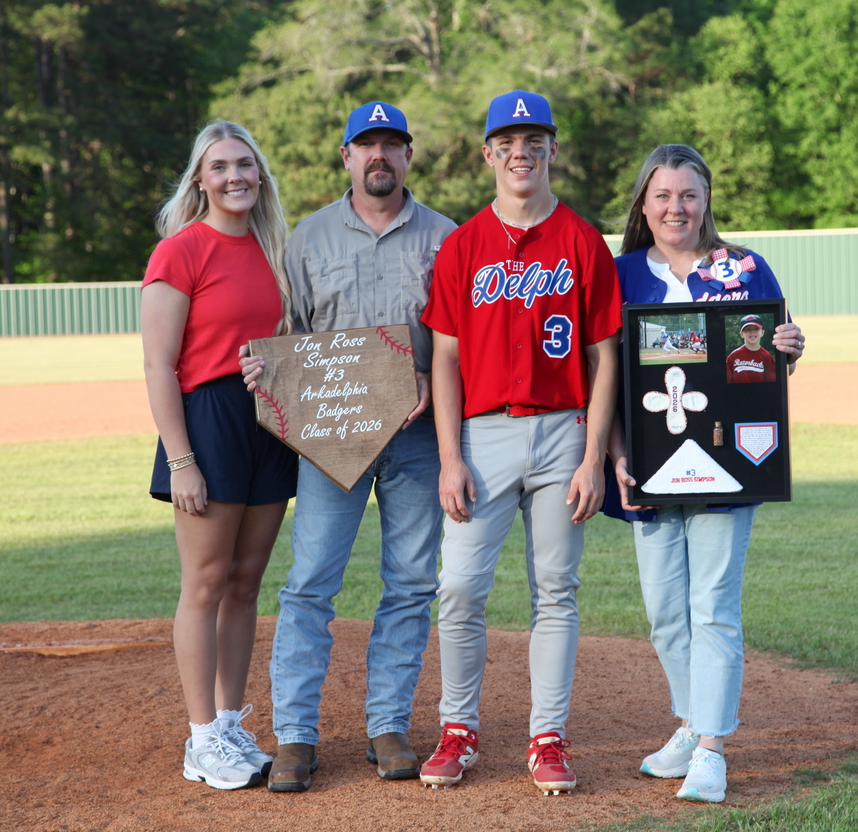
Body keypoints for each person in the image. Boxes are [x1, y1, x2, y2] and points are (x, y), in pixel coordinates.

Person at [240, 101, 456, 792]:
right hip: (331, 437)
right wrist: (266, 370)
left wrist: (429, 376)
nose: (379, 156)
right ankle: (296, 735)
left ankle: (388, 725)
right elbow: (291, 337)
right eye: (367, 145)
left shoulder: (447, 238)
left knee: (410, 584)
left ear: (408, 156)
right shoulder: (307, 239)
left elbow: (459, 343)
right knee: (309, 583)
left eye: (392, 145)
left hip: (417, 439)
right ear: (347, 156)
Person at [417, 91, 622, 796]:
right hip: (483, 434)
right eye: (506, 143)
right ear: (487, 155)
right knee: (459, 587)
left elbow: (604, 358)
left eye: (533, 141)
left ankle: (548, 737)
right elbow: (445, 358)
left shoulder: (583, 241)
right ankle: (458, 728)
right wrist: (450, 457)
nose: (520, 153)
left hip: (564, 429)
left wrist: (592, 457)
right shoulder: (463, 244)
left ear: (552, 149)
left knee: (556, 590)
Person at [605, 144, 805, 803]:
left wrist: (790, 346)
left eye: (688, 195)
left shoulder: (743, 268)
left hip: (727, 466)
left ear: (706, 199)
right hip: (648, 470)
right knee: (665, 613)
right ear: (643, 204)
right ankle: (692, 725)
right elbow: (602, 377)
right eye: (663, 195)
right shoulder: (620, 274)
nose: (676, 208)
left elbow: (770, 357)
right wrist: (616, 455)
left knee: (712, 605)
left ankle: (712, 749)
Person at [141, 121, 298, 790]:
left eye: (245, 164)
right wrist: (181, 460)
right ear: (201, 181)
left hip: (267, 419)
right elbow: (159, 365)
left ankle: (231, 722)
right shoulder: (180, 251)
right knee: (205, 582)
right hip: (208, 421)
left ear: (260, 174)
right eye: (220, 166)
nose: (235, 175)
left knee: (246, 581)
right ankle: (202, 738)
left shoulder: (275, 250)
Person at [726, 315, 777, 383]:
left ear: (762, 332)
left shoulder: (767, 356)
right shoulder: (733, 356)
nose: (752, 332)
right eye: (748, 329)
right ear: (741, 334)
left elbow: (771, 382)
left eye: (756, 328)